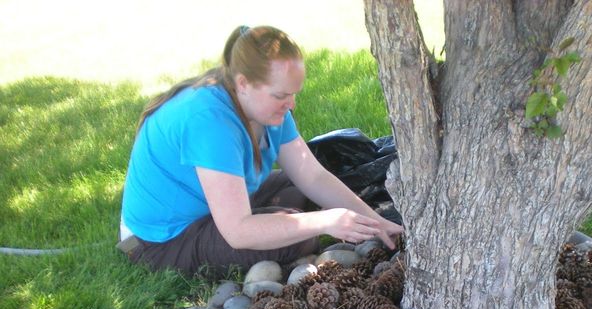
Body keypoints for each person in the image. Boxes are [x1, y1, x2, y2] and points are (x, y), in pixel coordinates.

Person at [118, 25, 403, 276]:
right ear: (243, 83)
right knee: (300, 238)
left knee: (304, 191)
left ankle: (283, 218)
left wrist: (377, 223)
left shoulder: (265, 109)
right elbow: (238, 231)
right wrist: (323, 221)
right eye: (281, 95)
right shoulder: (210, 122)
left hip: (213, 205)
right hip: (164, 240)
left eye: (293, 94)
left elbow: (312, 176)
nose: (291, 104)